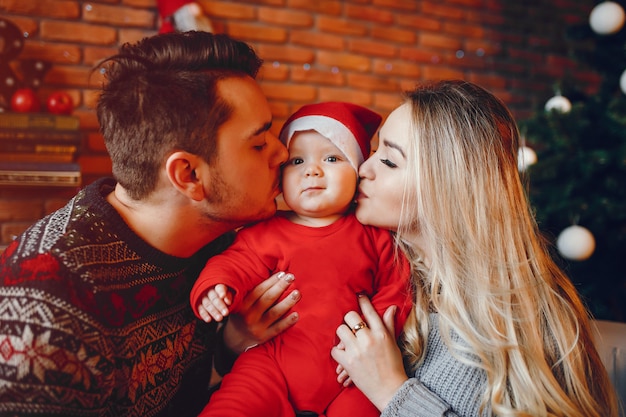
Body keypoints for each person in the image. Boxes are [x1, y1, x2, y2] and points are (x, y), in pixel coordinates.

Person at [0, 31, 302, 417]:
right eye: (258, 144)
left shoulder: (220, 239)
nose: (283, 152)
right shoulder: (42, 321)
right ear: (188, 174)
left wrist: (230, 345)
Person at [330, 80, 620, 417]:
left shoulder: (524, 320)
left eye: (390, 162)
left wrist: (392, 391)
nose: (363, 169)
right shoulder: (380, 273)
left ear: (448, 187)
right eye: (375, 152)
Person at [190, 102, 413, 417]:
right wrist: (217, 286)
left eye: (332, 158)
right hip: (272, 365)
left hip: (352, 373)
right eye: (297, 161)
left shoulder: (373, 235)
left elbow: (397, 288)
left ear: (359, 172)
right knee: (232, 406)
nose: (312, 170)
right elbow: (235, 263)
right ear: (281, 178)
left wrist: (370, 339)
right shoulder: (264, 232)